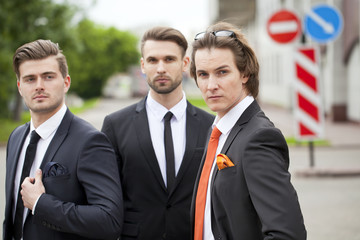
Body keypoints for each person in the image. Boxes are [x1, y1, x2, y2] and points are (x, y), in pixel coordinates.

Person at [189, 22, 307, 240]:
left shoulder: (259, 138)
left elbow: (288, 234)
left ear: (244, 73)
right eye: (203, 74)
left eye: (222, 72)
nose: (211, 85)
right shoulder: (217, 130)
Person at [101, 26, 214, 240]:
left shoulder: (211, 126)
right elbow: (107, 197)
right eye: (153, 60)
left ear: (185, 64)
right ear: (143, 65)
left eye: (169, 59)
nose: (161, 68)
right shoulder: (115, 125)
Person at [3, 39, 123, 240]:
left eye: (48, 77)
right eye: (30, 79)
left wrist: (41, 204)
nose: (39, 86)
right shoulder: (16, 137)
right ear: (19, 86)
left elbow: (109, 220)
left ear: (66, 82)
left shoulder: (90, 142)